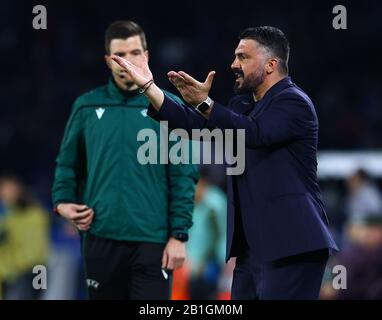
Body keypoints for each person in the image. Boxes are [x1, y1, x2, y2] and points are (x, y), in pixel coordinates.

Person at [112, 26, 339, 299]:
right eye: (235, 56)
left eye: (243, 57)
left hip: (292, 244)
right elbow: (194, 126)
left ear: (270, 65)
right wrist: (150, 87)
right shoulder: (243, 106)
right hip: (252, 251)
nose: (234, 64)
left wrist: (206, 104)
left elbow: (255, 133)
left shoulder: (293, 102)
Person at [52, 20, 198, 300]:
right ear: (108, 60)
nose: (126, 61)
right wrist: (62, 203)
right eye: (119, 55)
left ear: (147, 56)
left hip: (153, 242)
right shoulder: (86, 106)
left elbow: (183, 174)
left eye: (134, 53)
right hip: (100, 237)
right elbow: (67, 164)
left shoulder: (170, 108)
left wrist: (179, 235)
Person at [0, 174, 50, 300]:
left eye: (10, 188)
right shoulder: (6, 215)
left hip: (40, 267)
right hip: (16, 270)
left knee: (37, 296)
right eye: (4, 189)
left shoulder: (37, 211)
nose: (6, 192)